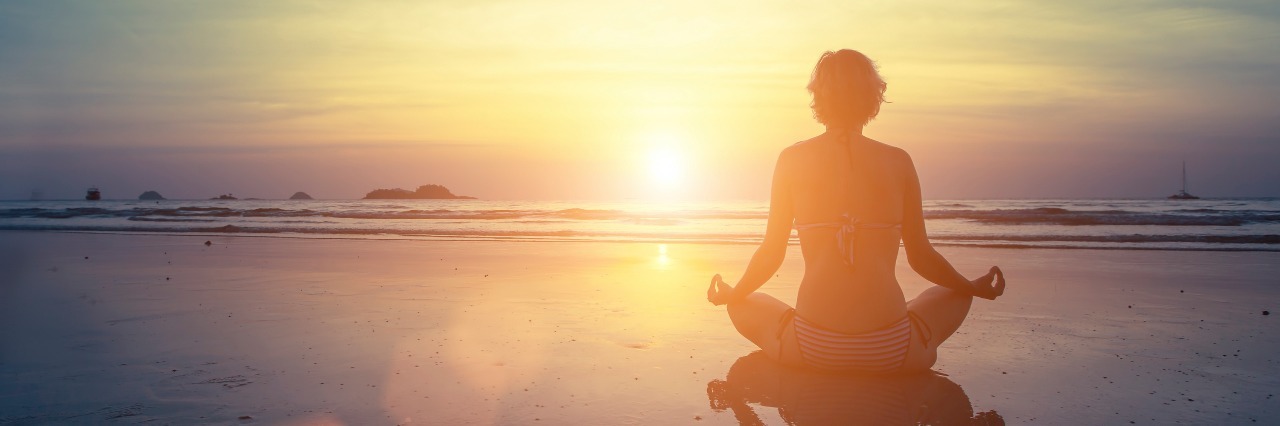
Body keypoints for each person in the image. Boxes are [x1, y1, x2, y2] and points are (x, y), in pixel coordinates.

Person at [706, 49, 1006, 374]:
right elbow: (921, 257)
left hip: (811, 347)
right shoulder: (898, 161)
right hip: (893, 350)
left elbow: (771, 253)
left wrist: (733, 294)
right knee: (955, 294)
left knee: (742, 302)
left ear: (818, 96)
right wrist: (971, 287)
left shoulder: (791, 160)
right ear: (873, 96)